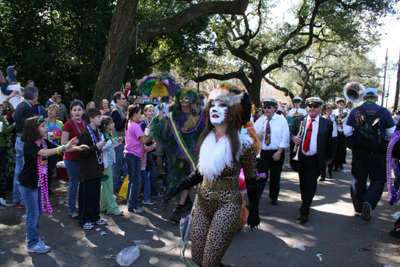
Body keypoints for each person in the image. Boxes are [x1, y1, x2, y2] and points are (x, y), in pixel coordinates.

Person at [163, 83, 260, 266]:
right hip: (203, 201)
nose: (216, 109)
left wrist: (254, 211)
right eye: (213, 105)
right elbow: (200, 173)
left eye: (223, 105)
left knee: (209, 262)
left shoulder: (244, 145)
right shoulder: (205, 140)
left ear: (234, 110)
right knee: (198, 259)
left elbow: (251, 180)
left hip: (228, 204)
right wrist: (176, 189)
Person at [19, 116, 88, 253]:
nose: (46, 128)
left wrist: (75, 147)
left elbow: (60, 148)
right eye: (43, 126)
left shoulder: (43, 141)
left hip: (37, 184)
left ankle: (33, 238)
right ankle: (32, 243)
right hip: (29, 185)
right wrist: (62, 147)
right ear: (34, 129)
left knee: (37, 213)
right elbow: (44, 153)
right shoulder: (30, 145)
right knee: (33, 214)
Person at [148, 88, 205, 223]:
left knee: (191, 181)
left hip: (193, 157)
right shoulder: (173, 116)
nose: (184, 101)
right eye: (182, 99)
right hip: (176, 157)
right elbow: (162, 131)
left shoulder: (199, 116)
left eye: (187, 99)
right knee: (178, 181)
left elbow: (205, 134)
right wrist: (161, 112)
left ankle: (181, 208)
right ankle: (183, 203)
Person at [344, 87, 395, 221]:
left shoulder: (355, 111)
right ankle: (369, 202)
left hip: (359, 151)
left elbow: (347, 131)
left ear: (364, 98)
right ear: (376, 98)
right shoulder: (384, 112)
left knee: (358, 178)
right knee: (378, 179)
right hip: (377, 152)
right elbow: (391, 132)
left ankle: (359, 208)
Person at [291, 96, 333, 223]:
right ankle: (306, 202)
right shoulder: (299, 120)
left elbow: (331, 142)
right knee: (303, 184)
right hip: (302, 158)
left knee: (310, 184)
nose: (312, 108)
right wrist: (294, 138)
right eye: (310, 106)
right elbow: (292, 133)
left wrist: (330, 158)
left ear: (321, 108)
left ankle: (304, 211)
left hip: (316, 159)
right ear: (307, 108)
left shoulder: (327, 123)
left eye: (315, 106)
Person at [254, 97, 289, 205]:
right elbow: (252, 135)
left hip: (276, 152)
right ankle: (255, 200)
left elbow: (285, 137)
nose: (266, 110)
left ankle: (274, 197)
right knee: (260, 177)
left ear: (275, 108)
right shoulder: (260, 121)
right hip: (263, 153)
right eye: (264, 107)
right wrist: (256, 136)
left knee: (275, 177)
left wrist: (279, 152)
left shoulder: (281, 120)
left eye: (269, 107)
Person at [78, 108, 108, 229]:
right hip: (88, 171)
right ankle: (85, 219)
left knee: (95, 195)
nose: (101, 119)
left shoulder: (97, 132)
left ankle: (95, 216)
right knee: (87, 196)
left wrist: (101, 168)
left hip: (96, 169)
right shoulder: (85, 133)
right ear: (91, 119)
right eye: (98, 117)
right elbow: (81, 153)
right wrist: (95, 147)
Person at [13, 85, 39, 207]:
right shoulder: (27, 108)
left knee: (18, 170)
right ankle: (24, 200)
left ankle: (16, 197)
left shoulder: (20, 106)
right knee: (25, 170)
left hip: (18, 139)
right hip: (24, 140)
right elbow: (27, 126)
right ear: (35, 96)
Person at [124, 104, 152, 213]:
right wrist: (153, 135)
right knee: (136, 180)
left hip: (128, 153)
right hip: (134, 155)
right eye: (140, 112)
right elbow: (144, 140)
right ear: (135, 113)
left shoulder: (129, 123)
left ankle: (130, 203)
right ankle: (134, 205)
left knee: (132, 179)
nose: (141, 115)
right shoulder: (135, 125)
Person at [61, 99, 86, 219]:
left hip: (83, 158)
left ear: (83, 111)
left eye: (79, 110)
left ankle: (82, 207)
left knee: (82, 184)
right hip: (71, 158)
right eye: (74, 110)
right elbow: (63, 143)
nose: (77, 112)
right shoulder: (68, 124)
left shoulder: (85, 123)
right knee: (73, 184)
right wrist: (78, 142)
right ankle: (72, 210)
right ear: (71, 112)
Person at [99, 116, 123, 216]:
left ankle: (103, 206)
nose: (113, 124)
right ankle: (112, 208)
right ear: (105, 125)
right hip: (105, 164)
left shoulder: (109, 134)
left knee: (105, 186)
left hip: (109, 162)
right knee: (109, 186)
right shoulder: (102, 135)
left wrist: (117, 141)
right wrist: (112, 141)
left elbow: (110, 145)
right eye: (111, 122)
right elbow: (101, 147)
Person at [140, 104, 163, 198]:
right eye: (149, 110)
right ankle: (152, 191)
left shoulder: (152, 121)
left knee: (150, 170)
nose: (151, 112)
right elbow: (142, 138)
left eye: (152, 110)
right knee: (151, 170)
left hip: (152, 149)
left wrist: (161, 108)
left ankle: (149, 190)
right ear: (144, 112)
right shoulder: (143, 123)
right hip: (145, 150)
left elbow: (159, 118)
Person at [45, 104, 64, 195]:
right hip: (44, 147)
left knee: (50, 169)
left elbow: (63, 137)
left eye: (52, 110)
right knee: (42, 168)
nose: (50, 111)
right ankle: (41, 187)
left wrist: (56, 137)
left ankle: (47, 188)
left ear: (56, 113)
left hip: (54, 147)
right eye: (49, 109)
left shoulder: (60, 123)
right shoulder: (44, 122)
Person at [110, 92, 127, 191]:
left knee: (121, 163)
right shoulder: (116, 111)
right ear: (118, 100)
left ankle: (118, 183)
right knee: (118, 163)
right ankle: (116, 184)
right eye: (123, 98)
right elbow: (117, 126)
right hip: (118, 141)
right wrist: (126, 119)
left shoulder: (121, 110)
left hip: (122, 140)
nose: (125, 100)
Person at [0, 102, 15, 198]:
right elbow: (6, 130)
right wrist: (14, 124)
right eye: (1, 108)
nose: (2, 109)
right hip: (2, 145)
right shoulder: (2, 118)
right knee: (1, 168)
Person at [320, 103, 338, 181]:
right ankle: (322, 174)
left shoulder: (335, 117)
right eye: (328, 108)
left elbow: (341, 127)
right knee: (323, 156)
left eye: (331, 108)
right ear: (325, 110)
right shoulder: (322, 118)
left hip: (333, 138)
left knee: (332, 156)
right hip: (325, 139)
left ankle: (330, 172)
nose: (330, 109)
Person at [332, 97, 349, 172]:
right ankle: (335, 165)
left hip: (343, 132)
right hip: (336, 132)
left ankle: (341, 165)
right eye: (339, 103)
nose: (340, 104)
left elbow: (345, 120)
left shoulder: (347, 112)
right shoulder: (334, 112)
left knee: (342, 149)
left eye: (342, 103)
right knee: (336, 149)